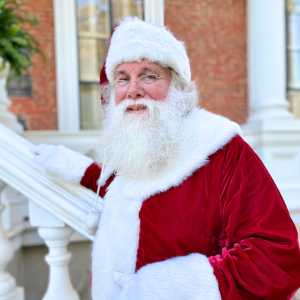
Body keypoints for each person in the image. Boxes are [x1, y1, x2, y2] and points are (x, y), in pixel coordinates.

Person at [31, 17, 300, 300]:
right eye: (123, 78)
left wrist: (167, 287)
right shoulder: (135, 144)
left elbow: (275, 256)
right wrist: (78, 169)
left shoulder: (222, 150)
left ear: (177, 87)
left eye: (149, 75)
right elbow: (136, 188)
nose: (133, 89)